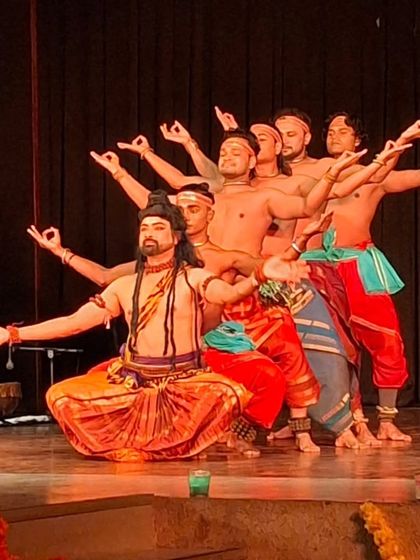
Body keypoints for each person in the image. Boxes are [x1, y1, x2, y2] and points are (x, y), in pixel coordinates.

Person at [5, 192, 310, 461]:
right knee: (60, 395)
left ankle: (187, 439)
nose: (150, 233)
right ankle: (151, 444)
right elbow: (73, 323)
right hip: (134, 381)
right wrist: (14, 334)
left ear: (176, 238)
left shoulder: (193, 277)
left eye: (159, 227)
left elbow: (229, 294)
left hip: (182, 382)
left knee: (227, 393)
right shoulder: (124, 286)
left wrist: (259, 276)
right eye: (145, 228)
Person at [300, 113, 420, 442]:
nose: (334, 135)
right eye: (330, 131)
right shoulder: (313, 173)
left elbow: (407, 176)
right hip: (315, 267)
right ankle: (312, 419)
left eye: (343, 131)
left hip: (357, 264)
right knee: (322, 344)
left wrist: (405, 140)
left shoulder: (374, 178)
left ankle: (387, 419)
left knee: (385, 338)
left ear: (358, 140)